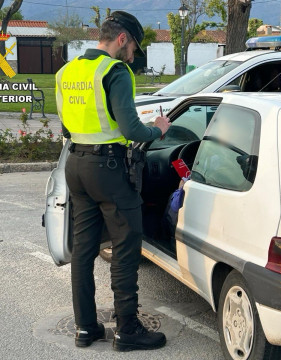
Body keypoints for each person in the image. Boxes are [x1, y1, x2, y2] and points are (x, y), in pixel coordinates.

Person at [55, 11, 171, 352]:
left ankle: (86, 328)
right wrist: (158, 129)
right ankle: (128, 330)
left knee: (84, 250)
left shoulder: (67, 71)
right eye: (133, 45)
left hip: (75, 165)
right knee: (124, 247)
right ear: (122, 39)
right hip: (108, 169)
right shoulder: (114, 70)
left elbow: (67, 126)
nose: (133, 54)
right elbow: (132, 131)